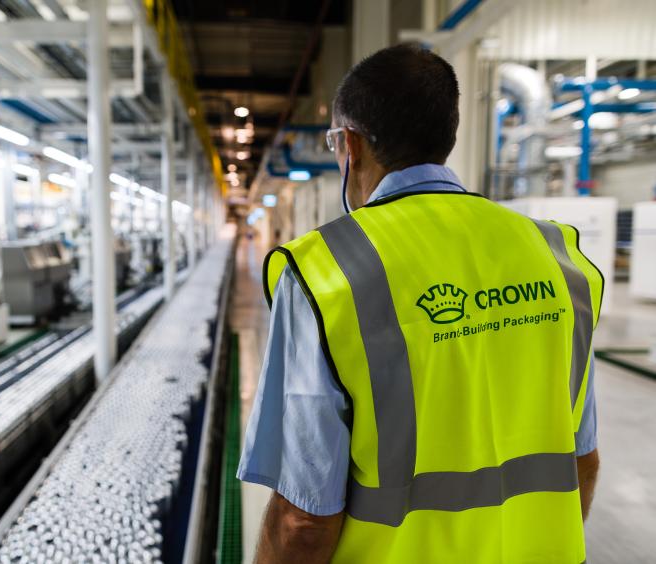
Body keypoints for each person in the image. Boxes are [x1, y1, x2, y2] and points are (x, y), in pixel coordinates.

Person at [237, 43, 601, 564]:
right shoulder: (557, 259)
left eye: (335, 143)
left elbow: (303, 522)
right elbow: (582, 462)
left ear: (351, 144)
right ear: (446, 136)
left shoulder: (327, 274)